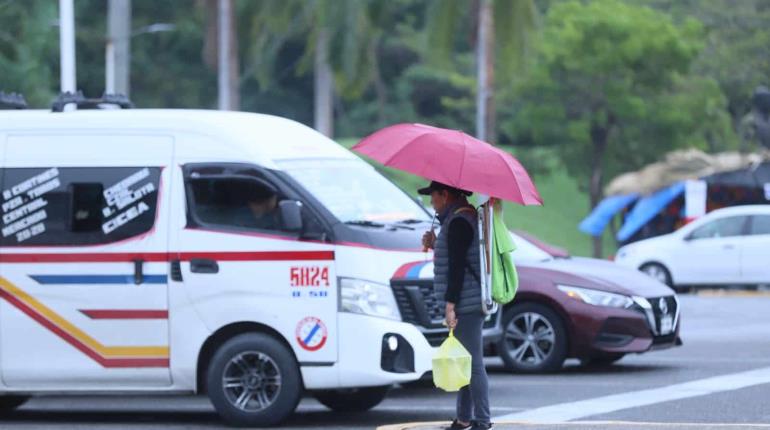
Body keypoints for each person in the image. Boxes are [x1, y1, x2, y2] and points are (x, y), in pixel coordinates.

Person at [419, 181, 492, 430]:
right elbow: (456, 254)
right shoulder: (460, 219)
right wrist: (437, 241)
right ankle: (463, 419)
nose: (432, 202)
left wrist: (450, 306)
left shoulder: (460, 222)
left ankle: (482, 421)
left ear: (446, 195)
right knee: (465, 361)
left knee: (474, 364)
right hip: (469, 300)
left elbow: (457, 269)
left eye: (433, 196)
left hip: (466, 303)